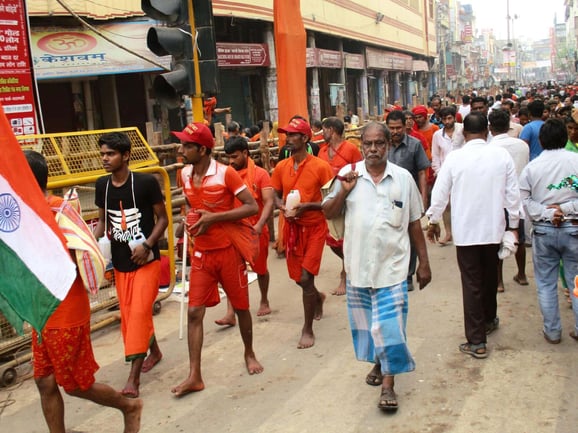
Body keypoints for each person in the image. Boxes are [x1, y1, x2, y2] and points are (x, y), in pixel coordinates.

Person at [26, 150, 143, 433]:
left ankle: (129, 407)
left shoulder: (60, 213)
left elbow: (86, 255)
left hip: (65, 310)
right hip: (40, 311)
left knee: (76, 385)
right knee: (44, 380)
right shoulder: (19, 215)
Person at [322, 121, 432, 412]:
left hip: (393, 269)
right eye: (368, 144)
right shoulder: (347, 175)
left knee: (390, 328)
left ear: (387, 145)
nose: (373, 149)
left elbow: (414, 223)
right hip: (358, 269)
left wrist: (424, 263)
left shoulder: (403, 179)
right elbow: (328, 212)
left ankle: (388, 384)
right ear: (361, 147)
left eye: (379, 144)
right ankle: (379, 362)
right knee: (369, 328)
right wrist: (345, 191)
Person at [171, 122, 263, 397]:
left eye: (187, 145)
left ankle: (249, 353)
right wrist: (187, 220)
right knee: (194, 312)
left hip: (228, 252)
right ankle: (194, 375)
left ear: (202, 149)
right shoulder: (185, 174)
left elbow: (252, 206)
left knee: (242, 307)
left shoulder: (226, 175)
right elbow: (191, 204)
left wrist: (214, 218)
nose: (182, 149)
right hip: (200, 253)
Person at [426, 112, 521, 359]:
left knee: (471, 284)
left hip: (467, 232)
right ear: (487, 131)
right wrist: (513, 227)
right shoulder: (501, 156)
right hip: (494, 229)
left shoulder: (456, 158)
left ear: (463, 134)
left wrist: (433, 221)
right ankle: (488, 319)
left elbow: (440, 192)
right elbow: (513, 195)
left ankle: (477, 340)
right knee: (490, 277)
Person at [94, 132, 167, 398]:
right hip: (121, 264)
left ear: (125, 155)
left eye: (110, 154)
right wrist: (89, 242)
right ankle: (155, 351)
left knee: (136, 316)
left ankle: (133, 378)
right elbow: (103, 223)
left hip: (146, 261)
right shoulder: (102, 185)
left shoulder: (146, 182)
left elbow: (163, 219)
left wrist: (147, 245)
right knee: (131, 315)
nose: (105, 158)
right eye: (102, 154)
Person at [271, 117, 334, 349]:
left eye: (293, 134)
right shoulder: (281, 167)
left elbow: (332, 199)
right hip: (292, 228)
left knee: (307, 277)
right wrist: (282, 206)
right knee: (299, 279)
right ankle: (317, 297)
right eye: (286, 134)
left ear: (305, 138)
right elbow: (275, 194)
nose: (288, 138)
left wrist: (307, 207)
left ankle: (307, 329)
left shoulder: (321, 167)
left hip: (315, 227)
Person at [518, 118, 578, 344]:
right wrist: (566, 208)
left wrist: (550, 212)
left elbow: (525, 202)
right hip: (573, 227)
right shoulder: (576, 161)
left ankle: (552, 331)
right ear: (565, 137)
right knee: (577, 283)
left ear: (541, 141)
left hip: (544, 231)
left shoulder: (532, 167)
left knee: (546, 283)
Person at [215, 135, 275, 326]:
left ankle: (264, 298)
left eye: (235, 157)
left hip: (255, 230)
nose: (231, 162)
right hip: (234, 231)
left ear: (245, 153)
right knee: (232, 272)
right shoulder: (226, 175)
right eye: (228, 158)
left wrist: (259, 225)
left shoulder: (260, 174)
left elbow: (269, 202)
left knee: (261, 269)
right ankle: (231, 312)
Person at [386, 110, 430, 291]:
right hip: (385, 198)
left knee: (410, 236)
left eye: (398, 128)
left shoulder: (415, 145)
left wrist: (423, 198)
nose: (395, 131)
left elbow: (422, 173)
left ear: (405, 126)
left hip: (407, 198)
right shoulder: (382, 145)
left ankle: (408, 275)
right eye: (391, 128)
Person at [318, 116, 363, 296]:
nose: (322, 133)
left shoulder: (350, 149)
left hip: (348, 198)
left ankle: (345, 274)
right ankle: (348, 265)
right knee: (333, 242)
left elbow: (360, 170)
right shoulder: (322, 151)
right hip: (329, 201)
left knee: (345, 238)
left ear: (332, 130)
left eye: (324, 129)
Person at [488, 109, 530, 291]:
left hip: (496, 202)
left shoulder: (489, 149)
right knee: (518, 238)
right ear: (509, 126)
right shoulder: (522, 146)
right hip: (518, 200)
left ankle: (498, 282)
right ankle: (521, 274)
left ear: (490, 127)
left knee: (497, 241)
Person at [431, 106, 465, 245]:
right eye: (444, 119)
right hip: (445, 173)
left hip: (463, 173)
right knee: (446, 204)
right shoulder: (438, 135)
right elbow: (435, 156)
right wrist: (439, 172)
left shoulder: (463, 130)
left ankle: (462, 232)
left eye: (449, 118)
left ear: (454, 117)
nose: (447, 121)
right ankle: (448, 233)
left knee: (462, 202)